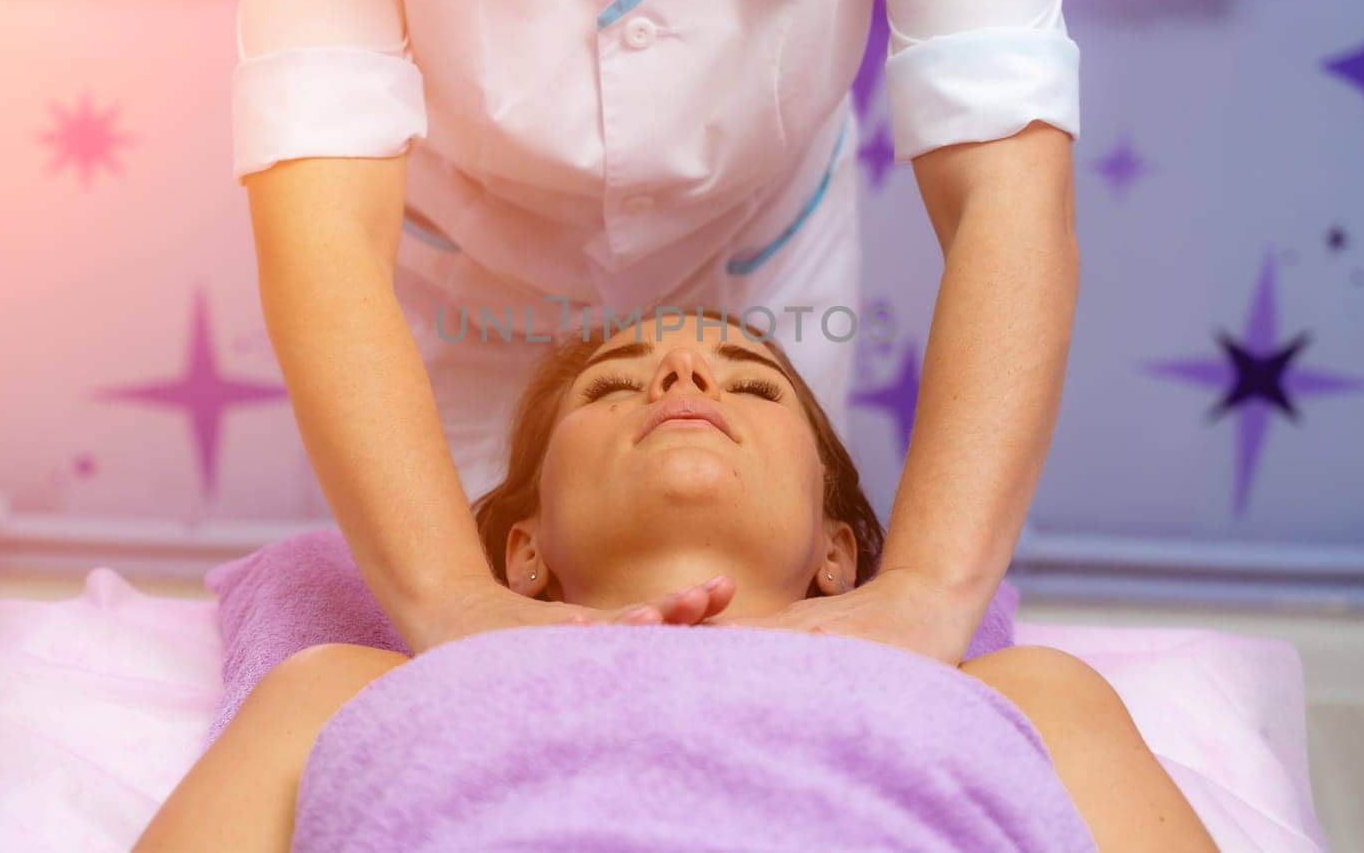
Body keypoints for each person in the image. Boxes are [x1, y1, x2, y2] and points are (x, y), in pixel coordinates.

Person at [236, 0, 1081, 665]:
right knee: (452, 643)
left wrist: (926, 594)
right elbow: (321, 228)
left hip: (759, 265)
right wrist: (449, 598)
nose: (678, 373)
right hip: (469, 291)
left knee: (769, 602)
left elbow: (1010, 192)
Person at [132, 312, 1213, 852]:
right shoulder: (335, 687)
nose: (684, 373)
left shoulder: (1025, 691)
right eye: (613, 384)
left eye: (750, 381)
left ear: (840, 551)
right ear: (524, 551)